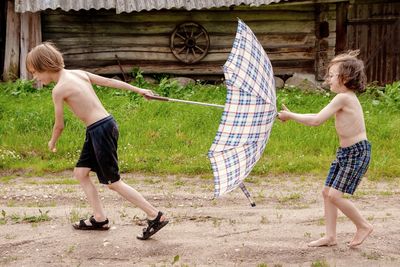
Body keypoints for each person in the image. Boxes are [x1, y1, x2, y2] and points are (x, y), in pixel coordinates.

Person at [26, 42, 168, 240]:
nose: (35, 77)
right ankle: (100, 218)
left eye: (35, 72)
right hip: (101, 127)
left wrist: (52, 142)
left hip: (100, 130)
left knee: (113, 182)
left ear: (45, 66)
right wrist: (139, 90)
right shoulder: (79, 73)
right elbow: (110, 82)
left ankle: (155, 216)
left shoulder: (58, 90)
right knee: (81, 173)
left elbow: (59, 125)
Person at [278, 50, 372, 248]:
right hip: (346, 152)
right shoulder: (343, 98)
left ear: (344, 78)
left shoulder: (344, 98)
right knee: (326, 192)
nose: (328, 79)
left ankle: (363, 225)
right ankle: (330, 237)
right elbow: (318, 114)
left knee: (334, 195)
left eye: (331, 75)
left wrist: (291, 116)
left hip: (356, 152)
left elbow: (316, 121)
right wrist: (292, 114)